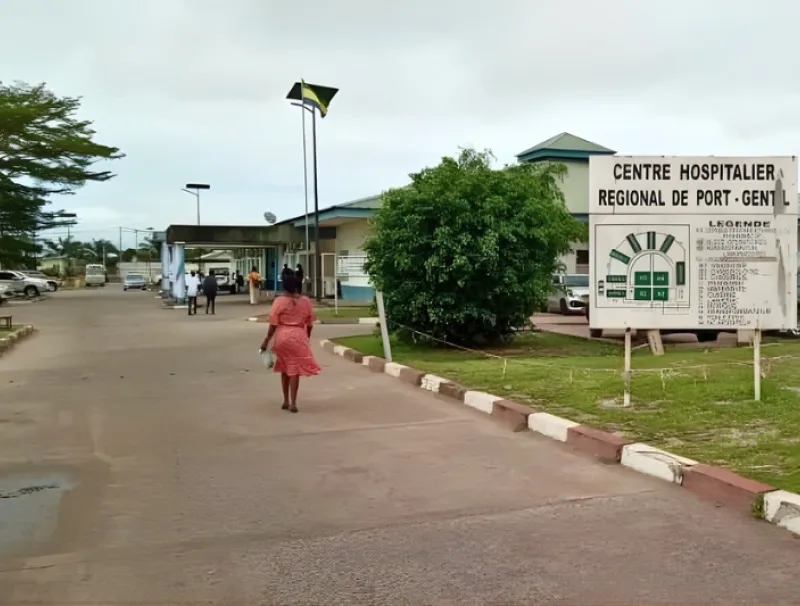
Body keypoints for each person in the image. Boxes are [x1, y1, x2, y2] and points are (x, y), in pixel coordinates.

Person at [260, 274, 320, 413]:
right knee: (295, 371)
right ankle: (294, 403)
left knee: (284, 368)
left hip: (282, 336)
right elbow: (310, 324)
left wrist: (266, 340)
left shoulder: (279, 301)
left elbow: (273, 324)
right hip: (299, 336)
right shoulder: (306, 301)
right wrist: (306, 338)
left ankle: (286, 400)